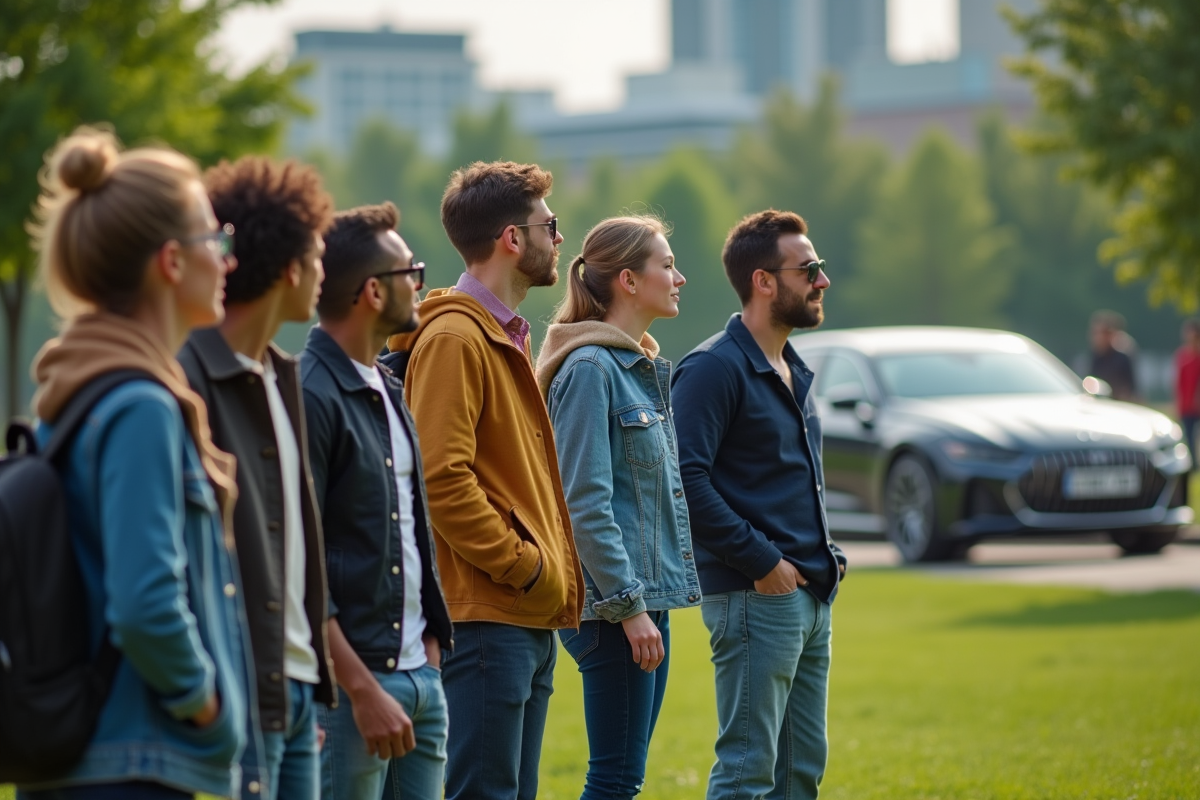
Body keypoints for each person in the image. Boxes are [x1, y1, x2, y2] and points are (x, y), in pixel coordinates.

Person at [19, 129, 248, 799]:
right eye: (217, 241)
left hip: (92, 762)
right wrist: (207, 707)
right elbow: (146, 604)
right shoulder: (139, 407)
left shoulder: (77, 394)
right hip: (130, 767)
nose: (228, 260)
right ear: (172, 262)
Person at [389, 161, 583, 800]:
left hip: (519, 616)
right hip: (486, 618)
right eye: (547, 225)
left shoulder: (502, 336)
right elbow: (440, 479)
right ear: (511, 239)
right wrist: (523, 565)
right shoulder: (455, 339)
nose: (558, 238)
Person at [671, 210, 847, 800]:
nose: (822, 281)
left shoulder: (792, 368)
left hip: (809, 595)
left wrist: (828, 555)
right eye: (810, 269)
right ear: (763, 281)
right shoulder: (712, 368)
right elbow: (685, 482)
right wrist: (764, 563)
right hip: (755, 596)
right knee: (746, 774)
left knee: (799, 776)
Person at [177, 156, 337, 800]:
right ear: (291, 270)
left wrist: (307, 683)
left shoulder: (283, 374)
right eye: (319, 257)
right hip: (237, 695)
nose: (325, 274)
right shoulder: (186, 378)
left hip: (296, 695)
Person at [534, 216, 700, 800]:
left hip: (643, 602)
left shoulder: (635, 369)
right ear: (628, 280)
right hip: (612, 610)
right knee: (614, 781)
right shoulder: (588, 371)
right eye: (667, 265)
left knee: (622, 778)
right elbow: (584, 502)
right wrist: (629, 609)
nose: (680, 277)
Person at [299, 202, 453, 800]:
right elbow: (299, 565)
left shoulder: (389, 384)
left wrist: (430, 659)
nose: (419, 283)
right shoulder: (309, 395)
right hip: (353, 691)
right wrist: (361, 689)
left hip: (421, 677)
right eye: (408, 272)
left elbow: (411, 529)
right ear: (371, 291)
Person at [1088, 310, 1138, 401]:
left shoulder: (1121, 359)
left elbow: (1131, 389)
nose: (1097, 338)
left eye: (1101, 333)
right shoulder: (1095, 358)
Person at [1174, 318, 1200, 467]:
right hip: (1187, 405)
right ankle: (1193, 464)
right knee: (1189, 437)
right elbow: (1178, 383)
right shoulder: (1182, 356)